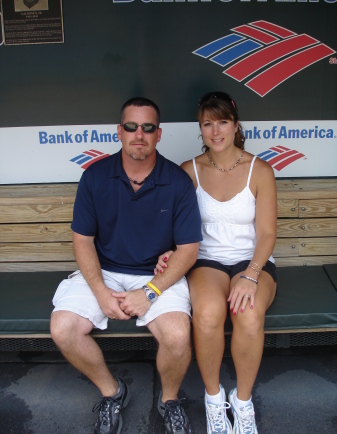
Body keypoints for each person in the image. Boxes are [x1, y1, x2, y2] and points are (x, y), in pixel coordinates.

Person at [50, 97, 202, 434]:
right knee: (63, 329)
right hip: (103, 270)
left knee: (177, 336)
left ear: (158, 135)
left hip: (156, 274)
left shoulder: (177, 181)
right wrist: (101, 292)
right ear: (119, 131)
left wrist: (150, 292)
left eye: (147, 128)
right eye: (131, 127)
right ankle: (113, 392)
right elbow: (83, 240)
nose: (139, 134)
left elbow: (189, 250)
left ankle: (170, 401)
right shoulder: (95, 176)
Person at [155, 91, 277, 434]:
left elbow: (267, 233)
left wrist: (250, 275)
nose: (215, 130)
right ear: (201, 128)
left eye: (222, 122)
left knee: (249, 314)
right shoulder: (189, 170)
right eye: (207, 123)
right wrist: (168, 249)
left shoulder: (260, 170)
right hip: (205, 261)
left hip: (253, 263)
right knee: (208, 313)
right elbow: (174, 224)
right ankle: (214, 399)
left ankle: (243, 401)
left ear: (235, 125)